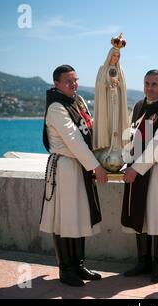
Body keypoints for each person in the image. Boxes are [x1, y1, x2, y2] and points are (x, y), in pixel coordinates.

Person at [40, 65, 108, 287]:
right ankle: (66, 269)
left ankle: (78, 265)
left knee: (79, 216)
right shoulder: (57, 108)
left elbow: (90, 128)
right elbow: (74, 140)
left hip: (80, 167)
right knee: (65, 219)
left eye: (75, 80)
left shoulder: (77, 102)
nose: (74, 84)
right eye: (68, 81)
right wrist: (96, 167)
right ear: (57, 84)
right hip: (67, 168)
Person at [121, 69, 158, 283]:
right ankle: (142, 262)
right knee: (140, 215)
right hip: (136, 168)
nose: (150, 88)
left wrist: (136, 169)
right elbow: (130, 134)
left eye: (154, 84)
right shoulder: (138, 106)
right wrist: (122, 159)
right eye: (146, 83)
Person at [93, 34, 130, 155]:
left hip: (117, 100)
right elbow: (99, 85)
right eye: (114, 55)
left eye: (118, 56)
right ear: (109, 55)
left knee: (116, 120)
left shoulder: (121, 70)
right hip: (106, 100)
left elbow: (123, 87)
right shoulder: (102, 69)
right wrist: (106, 86)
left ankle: (117, 145)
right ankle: (106, 144)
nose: (115, 58)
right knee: (108, 119)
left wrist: (118, 84)